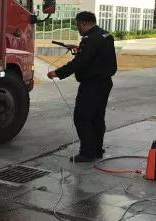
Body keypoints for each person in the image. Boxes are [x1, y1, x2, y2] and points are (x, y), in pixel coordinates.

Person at [48, 11, 117, 163]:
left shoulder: (89, 39)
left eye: (78, 25)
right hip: (105, 83)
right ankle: (97, 150)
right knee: (97, 118)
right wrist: (80, 49)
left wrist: (58, 73)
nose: (77, 28)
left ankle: (87, 153)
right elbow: (96, 56)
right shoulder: (105, 35)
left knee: (82, 117)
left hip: (92, 85)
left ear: (84, 23)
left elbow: (80, 62)